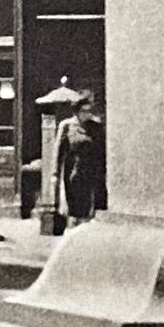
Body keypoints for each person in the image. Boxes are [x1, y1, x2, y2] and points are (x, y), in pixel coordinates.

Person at [52, 95, 107, 230]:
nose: (87, 114)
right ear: (77, 112)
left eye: (89, 111)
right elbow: (59, 150)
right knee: (73, 203)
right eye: (84, 111)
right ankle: (72, 227)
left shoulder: (96, 126)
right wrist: (55, 172)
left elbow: (101, 148)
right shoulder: (67, 126)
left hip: (91, 168)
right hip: (72, 169)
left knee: (89, 202)